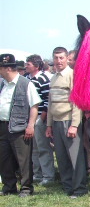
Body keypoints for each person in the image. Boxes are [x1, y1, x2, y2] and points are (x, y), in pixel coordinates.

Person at [45, 47, 88, 198]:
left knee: (75, 157)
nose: (58, 61)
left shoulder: (72, 75)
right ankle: (68, 186)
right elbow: (50, 103)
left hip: (69, 121)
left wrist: (74, 125)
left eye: (61, 58)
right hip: (56, 122)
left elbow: (77, 102)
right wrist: (49, 125)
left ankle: (79, 189)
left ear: (66, 59)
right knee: (62, 157)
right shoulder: (54, 77)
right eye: (56, 58)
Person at [0, 53, 42, 196]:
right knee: (4, 159)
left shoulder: (26, 83)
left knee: (23, 160)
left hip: (19, 128)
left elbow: (34, 106)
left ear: (7, 69)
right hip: (2, 126)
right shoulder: (1, 84)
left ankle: (26, 188)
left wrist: (30, 125)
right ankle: (9, 187)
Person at [24, 54, 55, 185]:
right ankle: (37, 174)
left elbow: (47, 100)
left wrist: (41, 119)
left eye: (28, 64)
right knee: (33, 149)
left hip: (39, 118)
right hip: (29, 118)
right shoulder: (25, 79)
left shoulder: (43, 79)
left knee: (43, 148)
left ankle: (48, 176)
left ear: (36, 66)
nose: (26, 66)